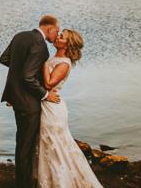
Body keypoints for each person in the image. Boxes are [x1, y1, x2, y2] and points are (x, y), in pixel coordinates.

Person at [36, 29, 103, 188]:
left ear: (67, 45)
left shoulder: (64, 63)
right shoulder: (56, 58)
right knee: (45, 142)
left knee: (55, 144)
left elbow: (48, 84)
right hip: (46, 103)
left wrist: (43, 62)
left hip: (53, 108)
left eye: (61, 37)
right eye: (59, 35)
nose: (57, 37)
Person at [0, 15, 61, 188]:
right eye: (56, 31)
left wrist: (16, 86)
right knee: (26, 146)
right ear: (49, 28)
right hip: (29, 104)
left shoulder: (20, 35)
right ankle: (24, 185)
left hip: (16, 99)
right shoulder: (41, 46)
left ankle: (21, 182)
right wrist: (45, 95)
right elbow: (28, 76)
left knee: (21, 142)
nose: (56, 35)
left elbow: (4, 60)